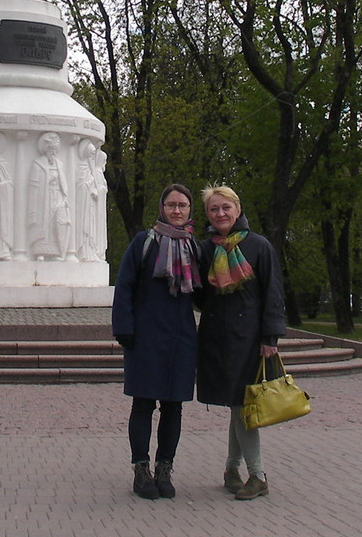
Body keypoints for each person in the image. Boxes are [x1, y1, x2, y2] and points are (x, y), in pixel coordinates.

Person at [195, 185, 287, 501]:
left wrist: (270, 338)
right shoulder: (205, 250)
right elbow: (198, 296)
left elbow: (273, 294)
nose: (220, 214)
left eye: (225, 208)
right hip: (217, 339)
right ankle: (231, 470)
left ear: (237, 209)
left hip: (249, 340)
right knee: (236, 405)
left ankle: (257, 475)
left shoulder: (259, 246)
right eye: (213, 209)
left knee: (243, 406)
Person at [111, 184, 201, 500]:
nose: (177, 210)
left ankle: (165, 469)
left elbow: (204, 296)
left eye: (183, 205)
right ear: (162, 207)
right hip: (146, 337)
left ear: (190, 210)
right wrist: (124, 329)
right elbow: (124, 286)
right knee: (144, 404)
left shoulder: (194, 247)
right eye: (171, 204)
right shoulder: (144, 243)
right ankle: (141, 470)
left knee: (174, 407)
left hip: (181, 339)